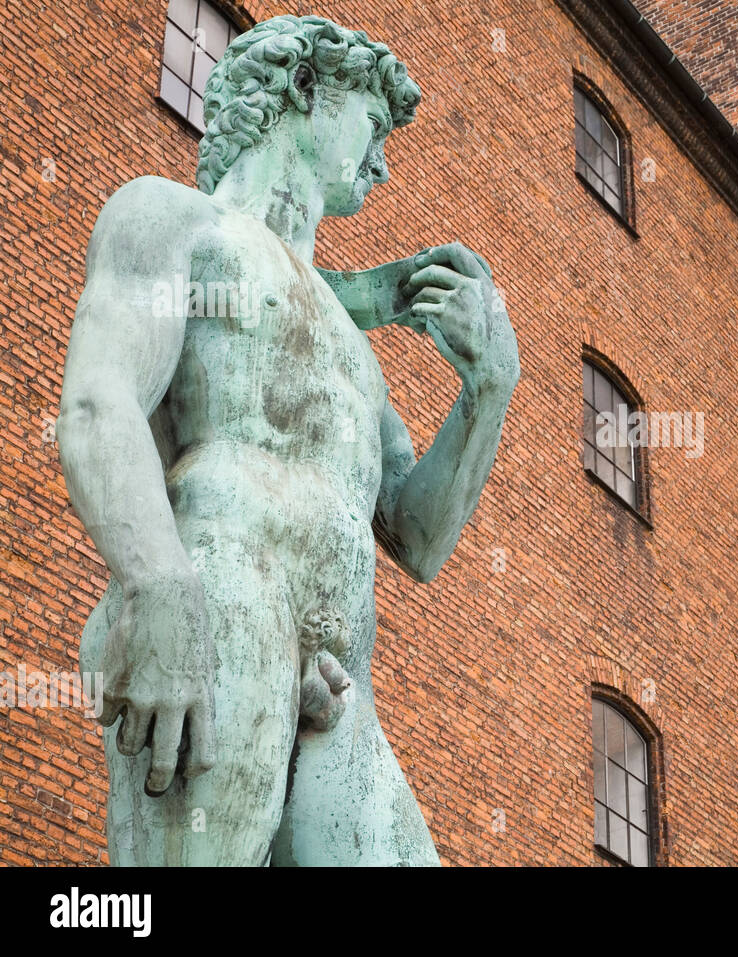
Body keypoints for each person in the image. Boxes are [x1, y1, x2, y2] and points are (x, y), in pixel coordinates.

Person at [57, 14, 519, 865]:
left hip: (343, 683)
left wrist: (489, 389)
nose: (382, 162)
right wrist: (158, 586)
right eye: (374, 127)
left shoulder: (352, 344)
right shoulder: (175, 221)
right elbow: (98, 401)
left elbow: (416, 538)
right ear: (306, 89)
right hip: (222, 602)